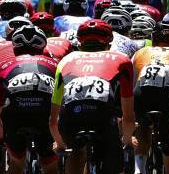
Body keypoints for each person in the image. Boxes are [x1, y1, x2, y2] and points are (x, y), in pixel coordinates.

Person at [49, 19, 135, 174]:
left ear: (80, 43)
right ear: (109, 43)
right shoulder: (122, 59)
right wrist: (127, 140)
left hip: (70, 119)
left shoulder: (65, 61)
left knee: (74, 152)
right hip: (104, 118)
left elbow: (53, 120)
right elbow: (128, 115)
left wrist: (60, 143)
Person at [0, 25, 59, 174]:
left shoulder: (1, 67)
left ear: (14, 47)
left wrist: (2, 139)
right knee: (50, 165)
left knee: (17, 161)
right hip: (45, 118)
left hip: (15, 119)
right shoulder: (57, 65)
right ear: (43, 47)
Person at [132, 21, 169, 174]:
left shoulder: (141, 52)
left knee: (142, 127)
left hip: (142, 93)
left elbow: (132, 83)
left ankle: (139, 168)